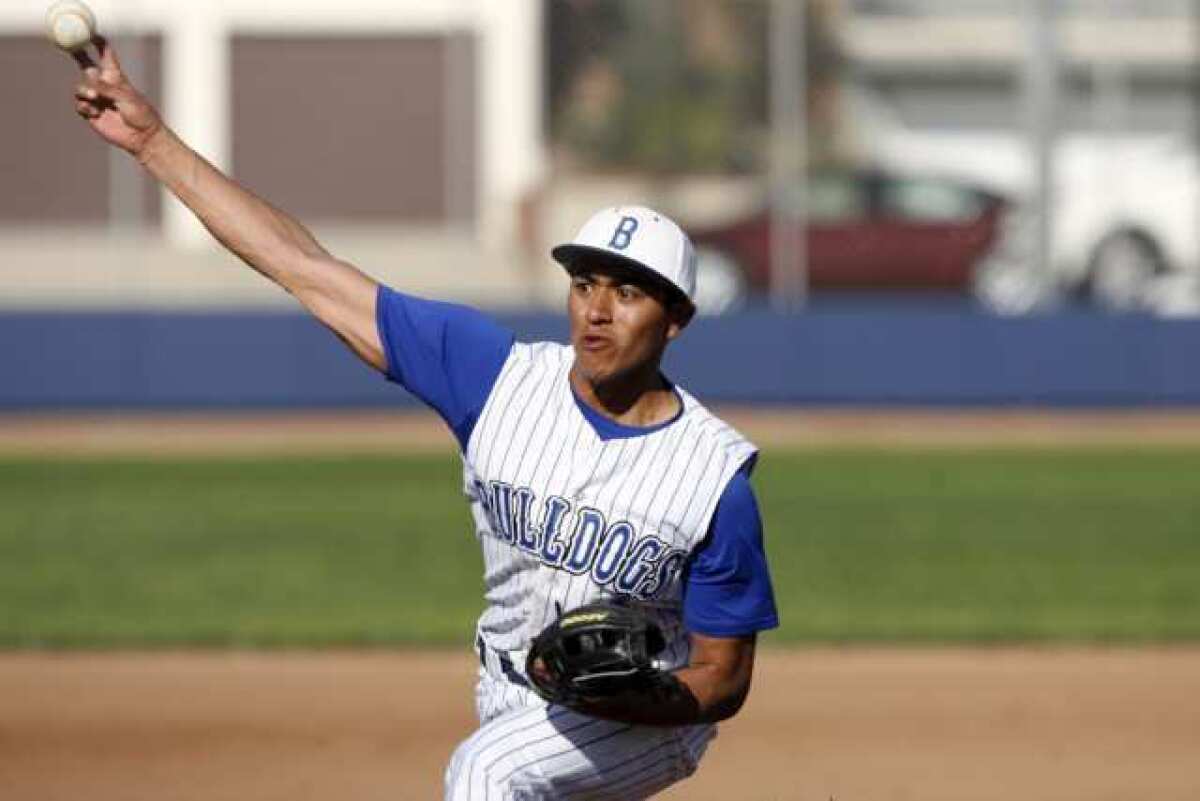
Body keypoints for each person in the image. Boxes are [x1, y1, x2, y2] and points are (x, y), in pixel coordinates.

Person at [67, 36, 778, 800]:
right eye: (584, 283)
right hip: (503, 690)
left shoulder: (711, 480)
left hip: (641, 723)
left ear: (676, 320)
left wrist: (640, 699)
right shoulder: (494, 376)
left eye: (628, 293)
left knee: (486, 775)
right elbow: (307, 270)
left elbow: (723, 676)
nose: (597, 311)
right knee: (501, 760)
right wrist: (151, 142)